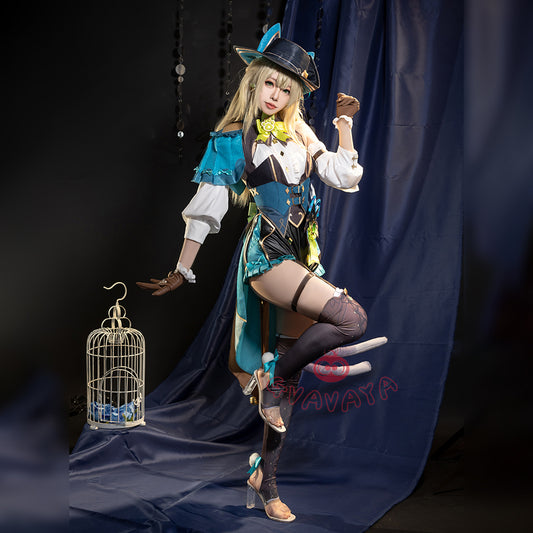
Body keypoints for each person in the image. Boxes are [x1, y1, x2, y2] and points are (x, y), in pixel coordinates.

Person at [137, 24, 367, 523]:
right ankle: (270, 378)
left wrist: (344, 125)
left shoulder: (301, 133)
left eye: (286, 89)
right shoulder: (233, 139)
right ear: (254, 81)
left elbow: (344, 175)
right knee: (350, 320)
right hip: (266, 255)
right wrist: (182, 269)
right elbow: (207, 208)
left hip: (302, 256)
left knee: (286, 390)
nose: (276, 95)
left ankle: (267, 481)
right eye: (270, 84)